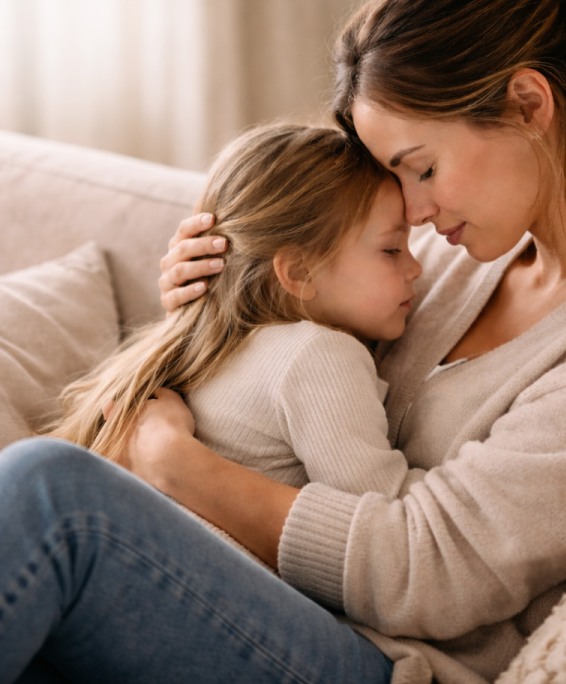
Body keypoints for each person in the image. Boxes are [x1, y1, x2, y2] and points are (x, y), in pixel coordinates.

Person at [0, 0, 566, 684]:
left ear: (527, 103)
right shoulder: (470, 246)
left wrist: (175, 464)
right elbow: (302, 359)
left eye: (420, 168)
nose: (414, 215)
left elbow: (432, 572)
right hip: (274, 596)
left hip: (389, 661)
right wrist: (222, 305)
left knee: (49, 492)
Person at [43, 123, 424, 562]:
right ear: (298, 273)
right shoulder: (320, 356)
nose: (417, 269)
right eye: (393, 250)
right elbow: (390, 517)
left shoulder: (211, 349)